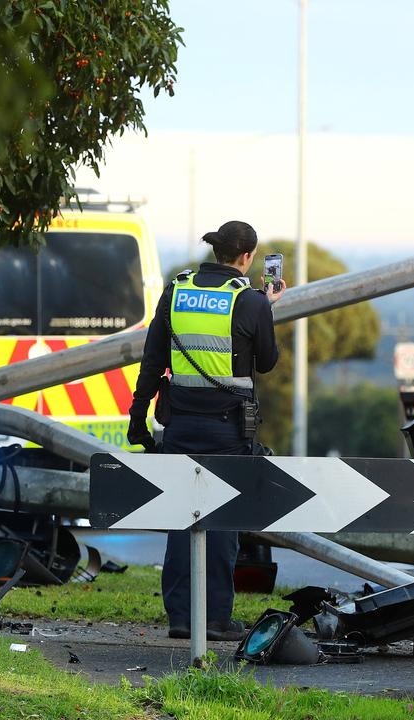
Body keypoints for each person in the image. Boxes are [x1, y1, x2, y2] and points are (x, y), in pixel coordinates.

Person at [127, 220, 284, 641]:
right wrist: (266, 306)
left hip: (178, 424)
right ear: (247, 257)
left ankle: (181, 617)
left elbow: (152, 357)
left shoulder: (176, 290)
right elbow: (266, 362)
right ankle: (215, 618)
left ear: (218, 252)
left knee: (182, 516)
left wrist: (137, 415)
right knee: (221, 520)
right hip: (228, 430)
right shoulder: (249, 301)